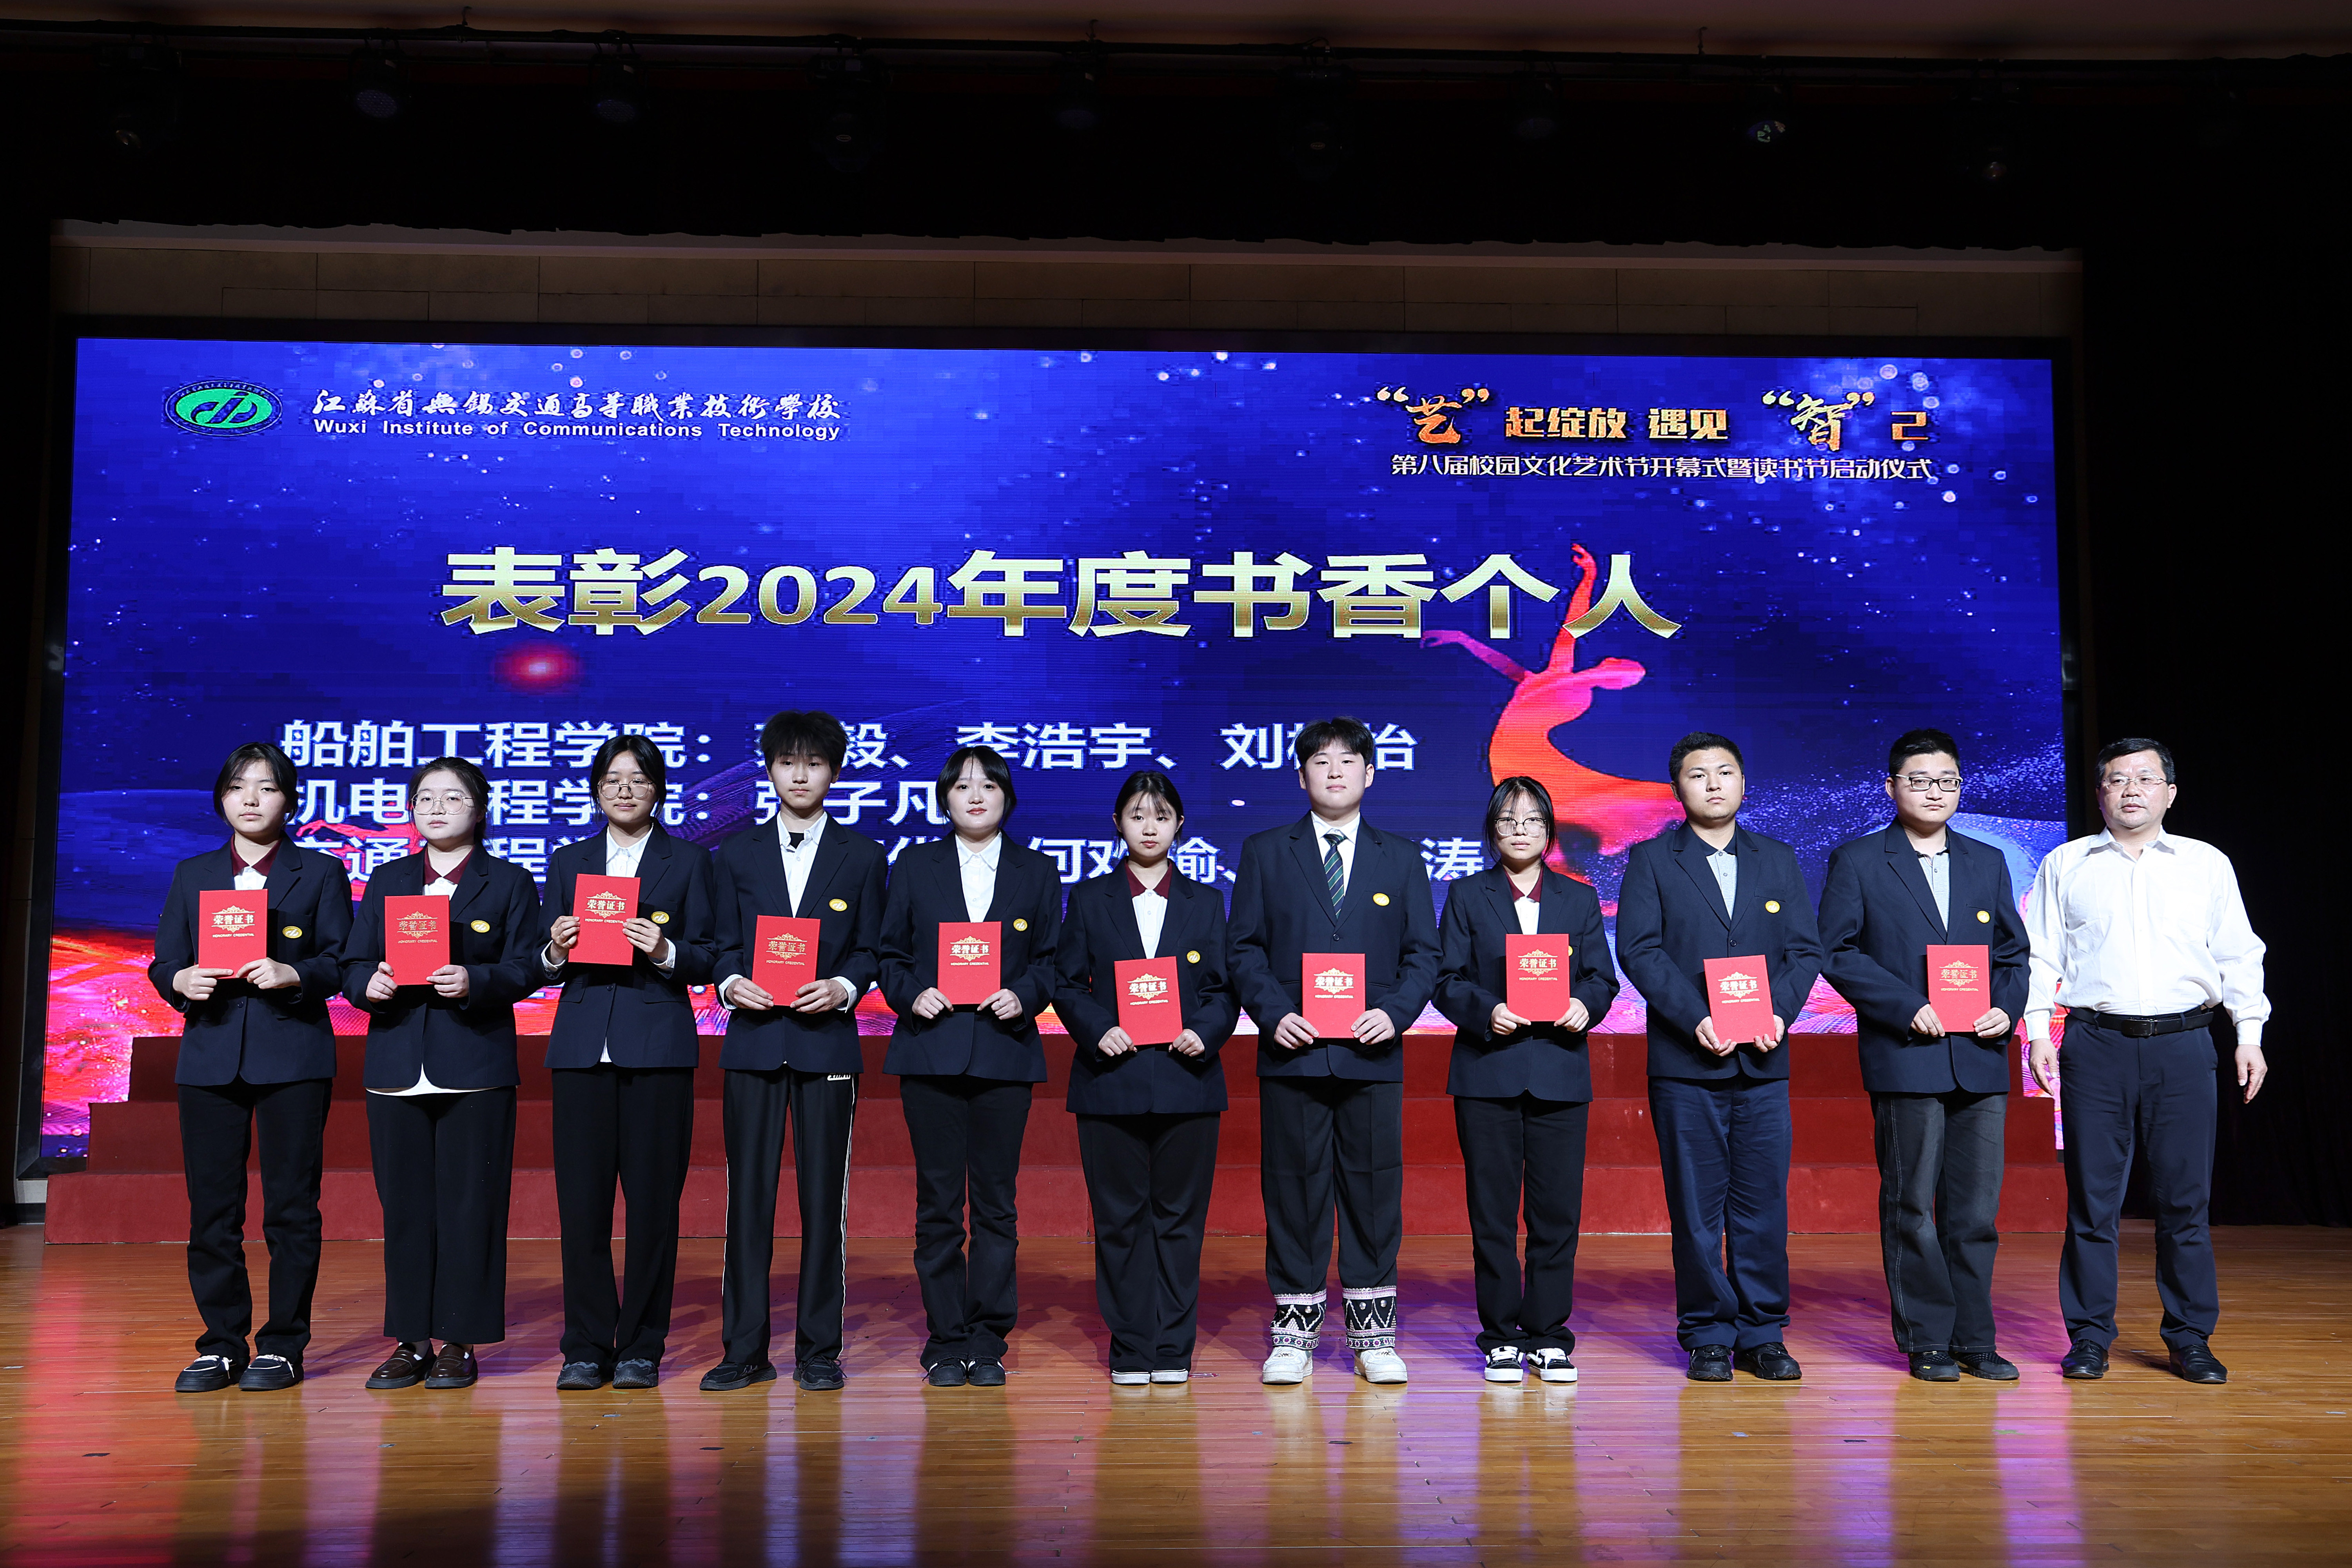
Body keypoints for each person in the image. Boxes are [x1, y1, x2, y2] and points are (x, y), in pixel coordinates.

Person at [2024, 739, 2268, 1385]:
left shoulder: (2205, 863)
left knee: (2185, 1202)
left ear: (2170, 793)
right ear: (2100, 793)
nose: (2131, 789)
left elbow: (2239, 952)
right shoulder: (2066, 863)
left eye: (2145, 778)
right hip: (2095, 1044)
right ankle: (2088, 1337)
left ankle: (2190, 1338)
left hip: (2184, 1045)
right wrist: (2037, 1032)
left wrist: (2249, 1033)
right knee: (2092, 1202)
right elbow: (2041, 954)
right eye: (2117, 779)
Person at [1229, 716, 1440, 1386]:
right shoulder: (1267, 851)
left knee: (1374, 1192)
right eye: (1321, 762)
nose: (1335, 771)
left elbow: (1424, 954)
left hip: (1370, 1054)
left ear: (1370, 774)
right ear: (1302, 776)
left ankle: (1373, 1338)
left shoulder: (1401, 857)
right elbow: (1244, 948)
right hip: (1293, 1051)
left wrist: (1394, 1014)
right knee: (1294, 1191)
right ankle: (1294, 1336)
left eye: (1349, 761)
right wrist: (1275, 1014)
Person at [1818, 729, 2029, 1383]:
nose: (1934, 792)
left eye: (1947, 781)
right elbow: (1837, 951)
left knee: (1975, 1212)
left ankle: (1976, 1338)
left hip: (1981, 1056)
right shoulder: (1859, 860)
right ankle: (1927, 1339)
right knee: (1911, 1205)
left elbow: (2013, 955)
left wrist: (2007, 1007)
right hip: (1908, 1051)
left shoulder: (1987, 861)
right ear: (1892, 788)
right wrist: (1904, 1004)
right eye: (1919, 781)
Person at [1617, 731, 1823, 1383]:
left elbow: (1805, 951)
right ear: (1678, 788)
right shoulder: (1653, 859)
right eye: (1698, 774)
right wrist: (1696, 1018)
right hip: (1687, 1062)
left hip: (1762, 1058)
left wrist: (1778, 1013)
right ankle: (1707, 1331)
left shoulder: (1778, 859)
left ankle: (1763, 1332)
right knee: (1696, 1205)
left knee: (1762, 1204)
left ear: (1743, 782)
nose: (1713, 783)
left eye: (1725, 771)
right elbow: (1640, 949)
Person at [149, 740, 353, 1393]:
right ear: (221, 799)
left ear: (289, 801)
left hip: (292, 1054)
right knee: (213, 1211)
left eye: (267, 787)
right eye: (238, 787)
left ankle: (284, 1345)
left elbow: (341, 962)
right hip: (210, 1057)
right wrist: (179, 979)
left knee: (291, 1208)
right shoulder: (193, 874)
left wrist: (295, 973)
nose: (252, 799)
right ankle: (221, 1344)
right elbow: (164, 961)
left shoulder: (320, 872)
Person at [341, 756, 541, 1391]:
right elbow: (352, 962)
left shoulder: (508, 881)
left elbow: (528, 967)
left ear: (479, 811)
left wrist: (475, 980)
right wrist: (367, 984)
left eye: (453, 798)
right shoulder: (388, 879)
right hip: (396, 1063)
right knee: (404, 1209)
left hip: (475, 1063)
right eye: (425, 798)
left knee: (471, 1207)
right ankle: (410, 1340)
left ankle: (460, 1339)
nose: (436, 808)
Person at [702, 711, 886, 1394]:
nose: (800, 775)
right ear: (770, 770)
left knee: (822, 1202)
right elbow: (721, 944)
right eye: (787, 762)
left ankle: (819, 1349)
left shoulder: (864, 856)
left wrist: (843, 987)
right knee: (747, 1200)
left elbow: (872, 948)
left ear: (834, 772)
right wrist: (730, 983)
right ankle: (744, 1349)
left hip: (825, 1042)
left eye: (813, 763)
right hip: (754, 1041)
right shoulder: (737, 854)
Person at [878, 745, 1062, 1388]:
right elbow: (890, 954)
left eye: (988, 785)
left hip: (1004, 1052)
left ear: (1008, 796)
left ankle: (987, 1338)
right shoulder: (915, 865)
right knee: (937, 1204)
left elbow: (1052, 960)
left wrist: (1025, 995)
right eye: (961, 786)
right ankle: (945, 1337)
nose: (975, 796)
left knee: (995, 1205)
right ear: (945, 799)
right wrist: (912, 994)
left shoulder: (1037, 870)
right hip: (931, 1049)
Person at [539, 733, 717, 1392]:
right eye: (612, 779)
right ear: (596, 790)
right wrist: (556, 950)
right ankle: (586, 1346)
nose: (624, 789)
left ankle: (643, 1345)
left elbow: (712, 953)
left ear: (658, 791)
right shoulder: (569, 861)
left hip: (658, 1047)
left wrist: (667, 950)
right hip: (582, 1048)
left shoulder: (690, 861)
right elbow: (540, 960)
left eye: (638, 779)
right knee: (582, 1207)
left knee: (652, 1208)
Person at [1432, 775, 1619, 1385]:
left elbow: (1602, 979)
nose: (1521, 830)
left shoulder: (1578, 899)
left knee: (1556, 1214)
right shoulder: (1467, 895)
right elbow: (1447, 980)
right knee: (1492, 1214)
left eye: (1533, 820)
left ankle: (1548, 1335)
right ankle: (1499, 1337)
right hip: (1488, 1070)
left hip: (1560, 1070)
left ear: (1549, 831)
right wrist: (1486, 1010)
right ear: (1492, 830)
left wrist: (1585, 1005)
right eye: (1508, 820)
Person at [1052, 771, 1238, 1386]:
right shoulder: (1089, 899)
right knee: (1120, 1220)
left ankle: (1174, 1346)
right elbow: (1066, 983)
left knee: (1181, 1220)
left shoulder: (1206, 902)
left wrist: (1205, 1031)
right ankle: (1131, 1345)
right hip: (1112, 1079)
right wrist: (1097, 1028)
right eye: (1137, 816)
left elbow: (1223, 989)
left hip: (1188, 1079)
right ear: (1118, 824)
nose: (1149, 827)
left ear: (1180, 824)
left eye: (1161, 816)